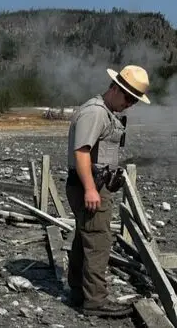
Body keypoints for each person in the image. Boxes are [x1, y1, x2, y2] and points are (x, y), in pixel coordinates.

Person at [65, 65, 151, 317]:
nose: (130, 104)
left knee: (85, 238)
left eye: (134, 100)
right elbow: (81, 152)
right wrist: (91, 189)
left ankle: (79, 292)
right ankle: (96, 301)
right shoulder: (96, 113)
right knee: (99, 241)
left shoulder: (105, 112)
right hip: (89, 185)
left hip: (93, 183)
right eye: (128, 97)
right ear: (115, 88)